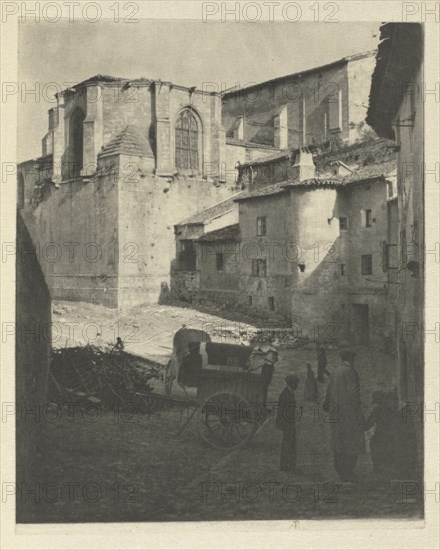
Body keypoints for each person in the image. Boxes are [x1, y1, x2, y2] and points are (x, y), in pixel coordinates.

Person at [323, 348, 365, 482]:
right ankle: (348, 472)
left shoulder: (335, 371)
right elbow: (354, 395)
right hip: (349, 414)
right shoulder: (350, 372)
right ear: (351, 359)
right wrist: (358, 413)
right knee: (351, 442)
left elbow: (328, 391)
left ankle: (340, 471)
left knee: (338, 441)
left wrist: (328, 406)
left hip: (335, 413)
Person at [276, 374, 300, 472]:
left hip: (289, 423)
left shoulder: (288, 392)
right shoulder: (286, 394)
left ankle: (288, 465)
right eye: (296, 383)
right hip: (287, 423)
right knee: (288, 444)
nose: (297, 385)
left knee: (290, 443)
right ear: (292, 384)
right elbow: (282, 411)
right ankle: (286, 466)